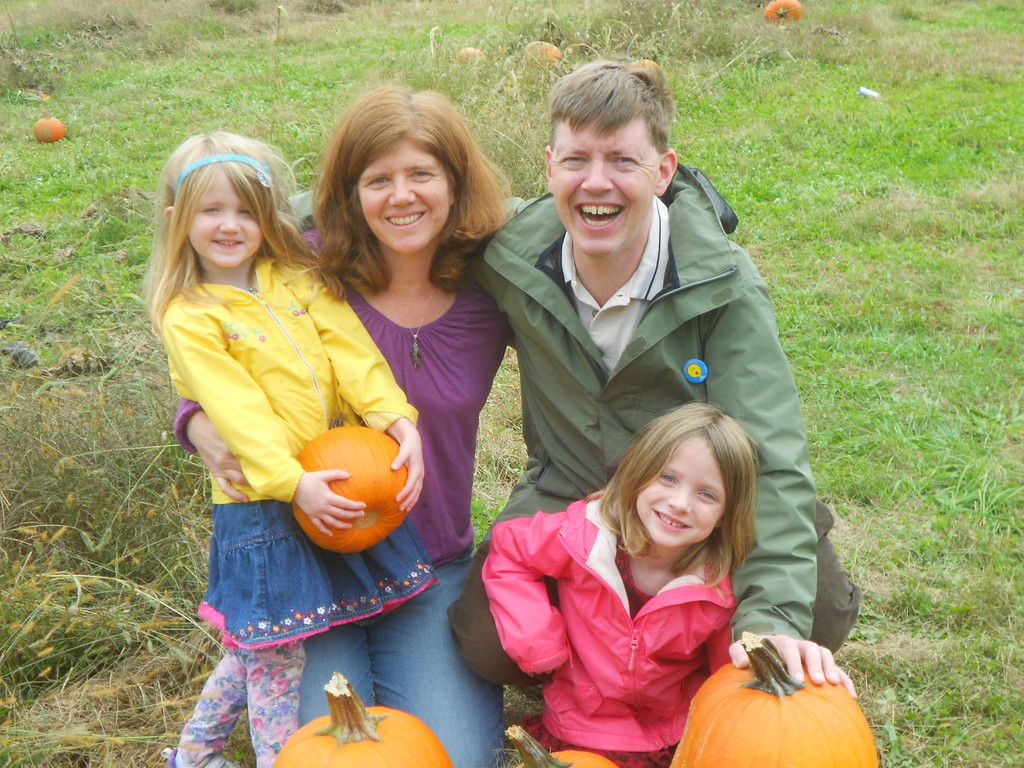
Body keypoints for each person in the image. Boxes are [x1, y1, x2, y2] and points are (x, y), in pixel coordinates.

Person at [448, 60, 861, 688]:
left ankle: (672, 660)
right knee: (491, 645)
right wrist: (287, 207)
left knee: (812, 616)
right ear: (550, 167)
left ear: (664, 172)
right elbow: (408, 196)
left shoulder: (721, 285)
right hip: (572, 491)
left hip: (698, 502)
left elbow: (768, 453)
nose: (596, 183)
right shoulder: (510, 254)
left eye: (623, 160)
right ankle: (613, 659)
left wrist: (772, 614)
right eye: (576, 160)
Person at [176, 89, 512, 768]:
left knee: (460, 759)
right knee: (326, 752)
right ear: (350, 194)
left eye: (422, 174)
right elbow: (211, 344)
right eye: (377, 179)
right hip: (313, 556)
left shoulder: (497, 282)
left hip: (429, 560)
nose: (401, 196)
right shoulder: (302, 268)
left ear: (455, 182)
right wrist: (193, 421)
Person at [147, 132, 425, 768]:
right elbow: (237, 412)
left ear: (268, 216)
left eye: (246, 210)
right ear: (177, 219)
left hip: (326, 479)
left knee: (258, 644)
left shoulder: (295, 279)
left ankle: (195, 753)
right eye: (212, 210)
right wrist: (289, 481)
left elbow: (351, 351)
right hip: (263, 504)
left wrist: (392, 416)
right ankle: (280, 758)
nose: (230, 225)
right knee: (277, 656)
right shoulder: (190, 315)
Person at [485, 403, 853, 768]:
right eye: (668, 478)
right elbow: (510, 550)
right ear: (639, 474)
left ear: (725, 515)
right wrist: (536, 639)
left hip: (673, 734)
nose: (679, 503)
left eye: (706, 494)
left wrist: (780, 688)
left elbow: (729, 673)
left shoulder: (717, 586)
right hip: (580, 727)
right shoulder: (582, 537)